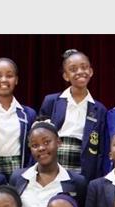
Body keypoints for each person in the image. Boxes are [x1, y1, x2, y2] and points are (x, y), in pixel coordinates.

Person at [9, 119, 87, 207]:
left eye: (46, 142)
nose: (41, 148)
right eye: (35, 145)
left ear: (58, 142)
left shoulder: (77, 183)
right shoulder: (18, 178)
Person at [39, 49, 106, 181]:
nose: (80, 72)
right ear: (66, 76)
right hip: (54, 159)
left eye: (84, 67)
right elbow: (40, 134)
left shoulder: (99, 109)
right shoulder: (51, 101)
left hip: (83, 164)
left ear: (91, 72)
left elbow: (100, 148)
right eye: (73, 69)